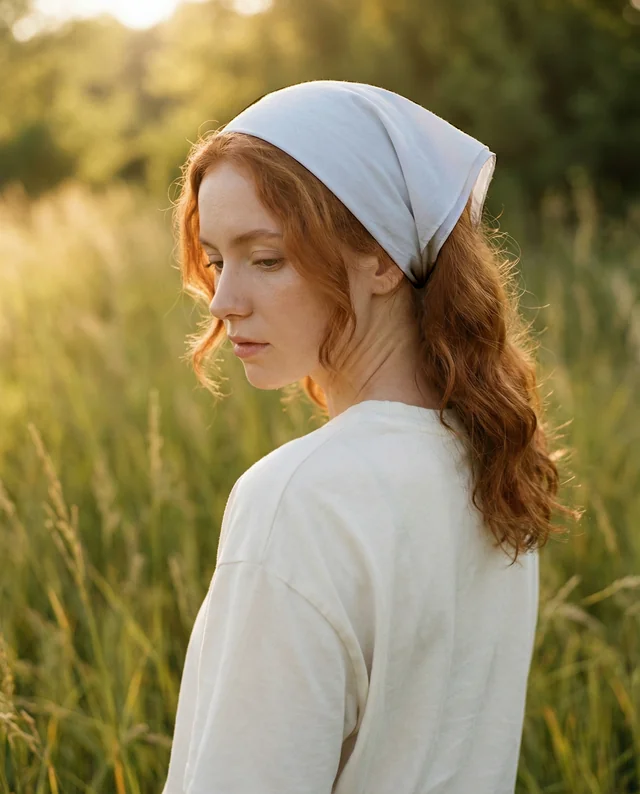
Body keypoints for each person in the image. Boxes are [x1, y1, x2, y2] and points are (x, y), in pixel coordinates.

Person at [162, 80, 578, 794]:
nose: (224, 301)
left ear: (383, 258)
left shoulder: (301, 499)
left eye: (267, 259)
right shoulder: (488, 463)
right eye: (217, 260)